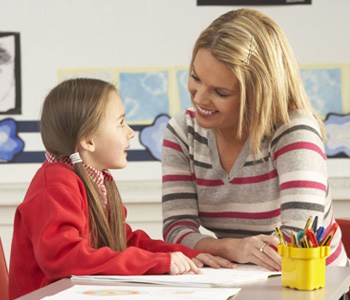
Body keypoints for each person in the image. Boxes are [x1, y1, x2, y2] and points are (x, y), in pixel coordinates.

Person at [9, 78, 234, 299]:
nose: (131, 132)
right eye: (120, 123)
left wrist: (190, 255)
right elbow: (65, 258)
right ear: (88, 142)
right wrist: (158, 263)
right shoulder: (55, 184)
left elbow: (122, 240)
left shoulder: (96, 180)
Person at [161, 8, 348, 271]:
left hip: (315, 281)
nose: (200, 98)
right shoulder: (182, 132)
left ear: (259, 94)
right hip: (243, 276)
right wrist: (230, 247)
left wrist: (218, 248)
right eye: (195, 78)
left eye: (221, 92)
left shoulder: (294, 130)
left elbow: (299, 240)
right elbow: (176, 230)